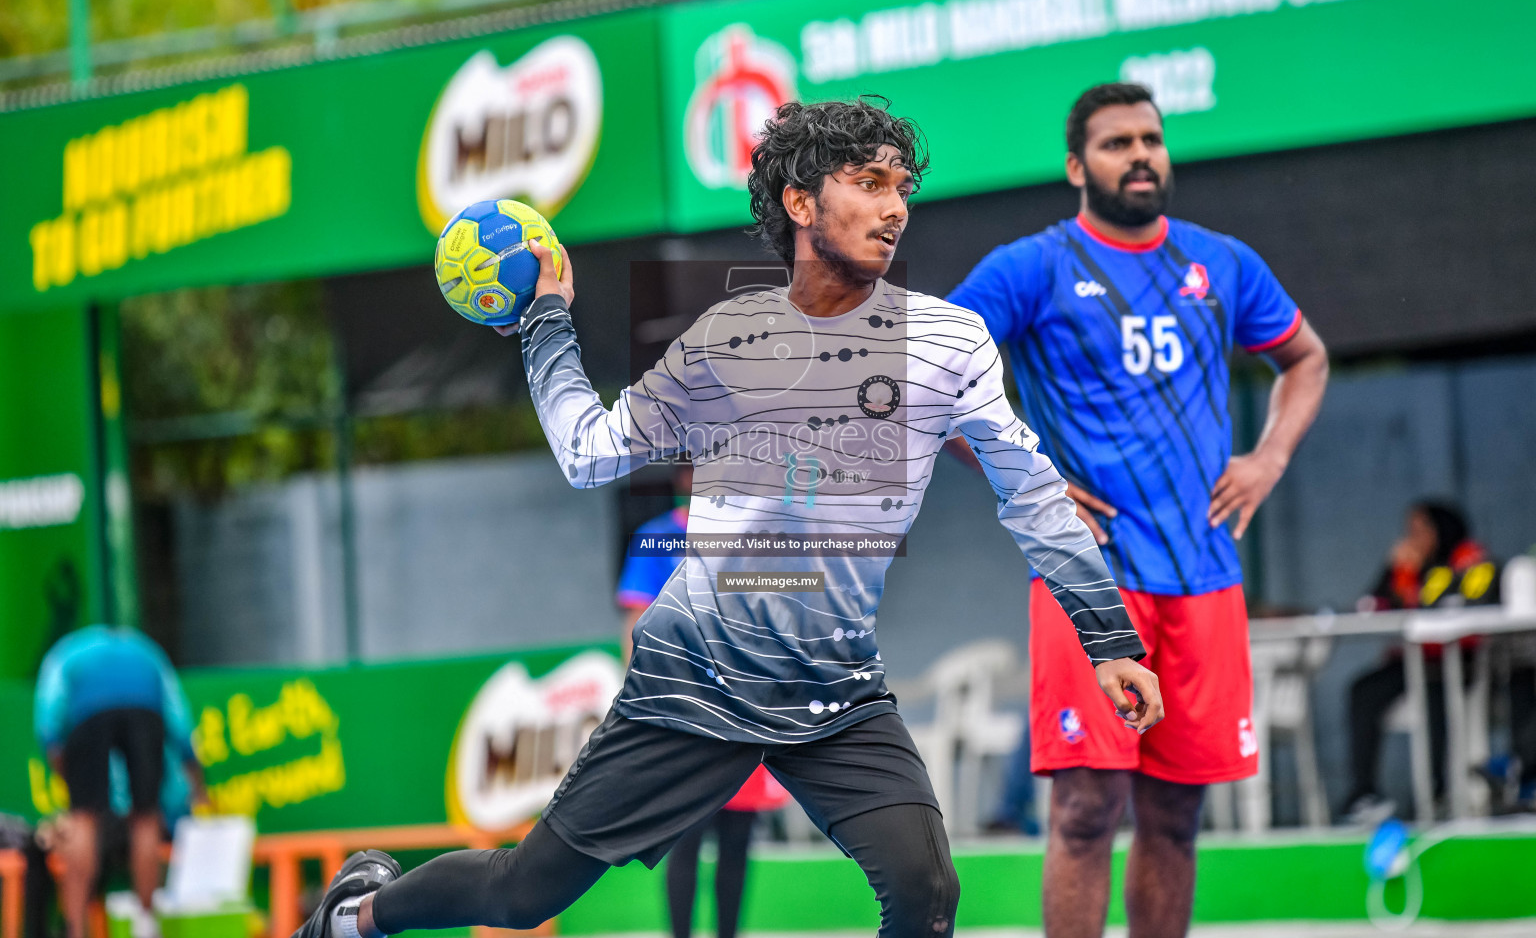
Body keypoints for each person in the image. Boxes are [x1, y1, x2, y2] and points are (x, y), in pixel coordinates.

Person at [292, 97, 1163, 938]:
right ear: (800, 201)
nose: (895, 207)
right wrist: (547, 324)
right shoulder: (724, 341)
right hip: (691, 680)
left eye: (902, 186)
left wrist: (1109, 637)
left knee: (926, 889)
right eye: (868, 181)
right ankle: (358, 913)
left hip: (836, 688)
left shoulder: (951, 341)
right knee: (525, 893)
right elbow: (591, 451)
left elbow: (1033, 491)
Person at [946, 82, 1328, 938]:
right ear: (1078, 166)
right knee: (1087, 809)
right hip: (1091, 581)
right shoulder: (1031, 267)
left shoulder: (1221, 262)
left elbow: (1305, 359)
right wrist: (1025, 477)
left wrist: (1267, 459)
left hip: (1204, 575)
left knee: (1176, 818)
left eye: (1151, 138)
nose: (1142, 154)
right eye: (1118, 143)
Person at [615, 462, 792, 938]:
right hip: (683, 714)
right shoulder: (655, 539)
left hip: (743, 710)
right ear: (684, 480)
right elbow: (635, 624)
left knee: (737, 840)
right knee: (685, 838)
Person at [34, 626, 207, 938]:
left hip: (88, 713)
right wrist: (197, 778)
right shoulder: (147, 652)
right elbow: (178, 715)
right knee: (145, 817)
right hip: (145, 709)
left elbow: (49, 711)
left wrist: (62, 764)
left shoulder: (66, 653)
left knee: (83, 818)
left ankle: (75, 929)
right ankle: (146, 924)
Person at [1344, 500, 1500, 824]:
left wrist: (1409, 577)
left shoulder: (1470, 559)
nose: (1413, 538)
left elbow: (1447, 607)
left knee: (1435, 696)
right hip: (1412, 660)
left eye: (1420, 530)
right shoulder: (1410, 565)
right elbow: (1373, 606)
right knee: (1363, 689)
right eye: (1410, 531)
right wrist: (1396, 570)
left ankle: (1435, 794)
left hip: (1458, 662)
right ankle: (1363, 794)